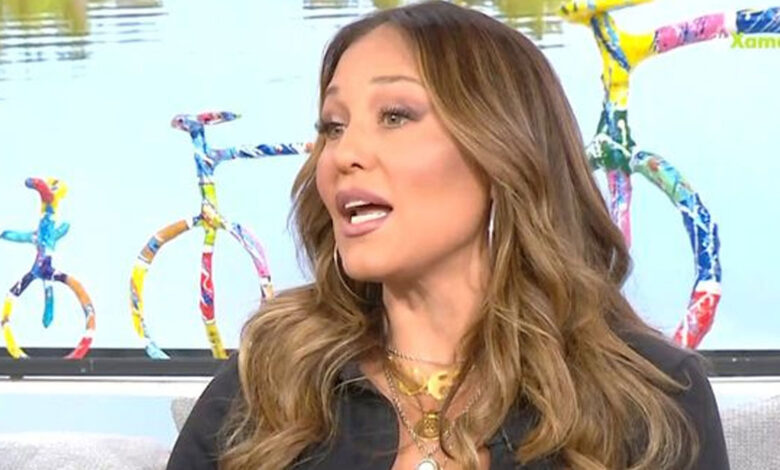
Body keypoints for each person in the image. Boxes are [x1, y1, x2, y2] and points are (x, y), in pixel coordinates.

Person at [167, 2, 729, 469]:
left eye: (395, 116)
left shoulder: (649, 399)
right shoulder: (268, 384)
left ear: (502, 150)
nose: (343, 154)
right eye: (333, 126)